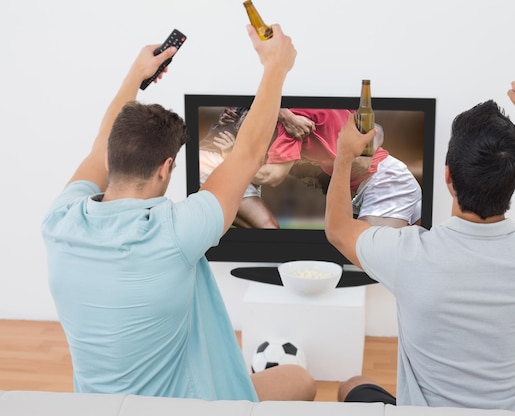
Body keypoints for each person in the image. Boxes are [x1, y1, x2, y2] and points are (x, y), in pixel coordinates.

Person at [41, 25, 316, 402]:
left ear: (110, 158)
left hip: (96, 407)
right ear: (165, 168)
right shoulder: (176, 233)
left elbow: (97, 148)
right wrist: (276, 67)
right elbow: (249, 154)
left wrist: (135, 76)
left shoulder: (59, 220)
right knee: (301, 381)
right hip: (186, 406)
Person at [324, 80, 515, 411]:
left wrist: (343, 156)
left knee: (352, 385)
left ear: (448, 178)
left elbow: (338, 229)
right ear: (513, 182)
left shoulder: (409, 255)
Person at [254, 108, 423, 227]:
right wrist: (367, 153)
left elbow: (272, 176)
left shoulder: (293, 127)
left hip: (386, 183)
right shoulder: (321, 109)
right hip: (389, 178)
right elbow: (375, 129)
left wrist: (231, 168)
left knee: (367, 253)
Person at [199, 106, 279, 228]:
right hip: (219, 157)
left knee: (252, 227)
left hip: (234, 161)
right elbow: (269, 178)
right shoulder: (292, 117)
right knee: (269, 226)